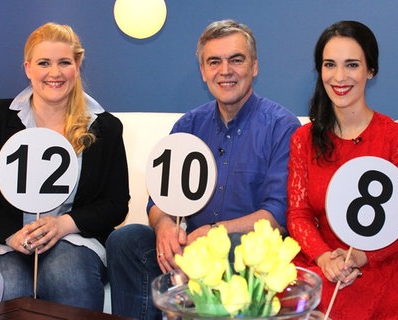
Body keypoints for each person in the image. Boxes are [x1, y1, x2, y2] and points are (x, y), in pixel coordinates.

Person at [106, 19, 300, 320]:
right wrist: (165, 227)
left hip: (245, 255)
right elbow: (157, 200)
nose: (225, 71)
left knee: (234, 247)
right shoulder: (188, 126)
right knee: (126, 241)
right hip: (190, 247)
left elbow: (276, 216)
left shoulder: (282, 127)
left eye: (236, 60)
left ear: (255, 66)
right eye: (214, 62)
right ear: (203, 72)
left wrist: (212, 234)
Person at [0, 22, 130, 311]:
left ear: (77, 67)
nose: (54, 73)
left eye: (64, 62)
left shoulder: (105, 127)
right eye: (44, 63)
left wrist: (63, 225)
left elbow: (116, 203)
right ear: (28, 68)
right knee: (8, 281)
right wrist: (11, 233)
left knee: (67, 275)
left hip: (72, 239)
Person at [286, 20, 398, 319]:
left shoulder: (395, 138)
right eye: (330, 64)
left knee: (345, 301)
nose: (339, 76)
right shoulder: (304, 139)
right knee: (285, 289)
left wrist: (361, 257)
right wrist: (324, 258)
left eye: (352, 65)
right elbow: (298, 214)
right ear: (321, 71)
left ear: (370, 70)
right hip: (321, 256)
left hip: (378, 262)